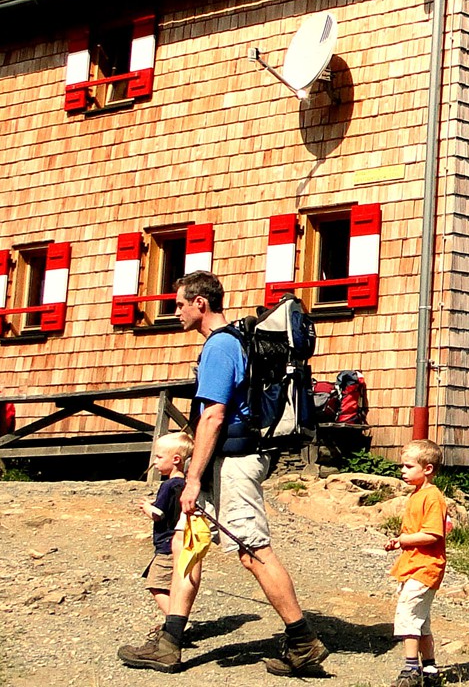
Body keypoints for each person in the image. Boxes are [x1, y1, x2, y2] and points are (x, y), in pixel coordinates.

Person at [115, 271, 327, 675]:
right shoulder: (232, 343)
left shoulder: (220, 346)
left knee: (252, 550)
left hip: (234, 462)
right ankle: (169, 641)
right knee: (185, 543)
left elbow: (212, 415)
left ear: (201, 303)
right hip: (224, 460)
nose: (174, 312)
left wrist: (191, 479)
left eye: (179, 304)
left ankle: (303, 642)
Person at [383, 439, 449, 687]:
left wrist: (404, 540)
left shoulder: (432, 497)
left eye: (409, 466)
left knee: (407, 615)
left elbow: (433, 534)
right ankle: (430, 669)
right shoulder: (417, 494)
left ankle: (411, 670)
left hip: (425, 567)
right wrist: (400, 543)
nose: (403, 471)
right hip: (412, 565)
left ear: (428, 469)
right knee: (421, 621)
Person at [135, 431, 198, 638]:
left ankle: (176, 622)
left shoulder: (168, 485)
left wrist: (146, 507)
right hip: (180, 542)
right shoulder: (186, 485)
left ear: (176, 460)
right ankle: (175, 620)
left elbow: (159, 515)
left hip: (166, 545)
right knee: (173, 584)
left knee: (155, 584)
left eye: (159, 457)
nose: (154, 462)